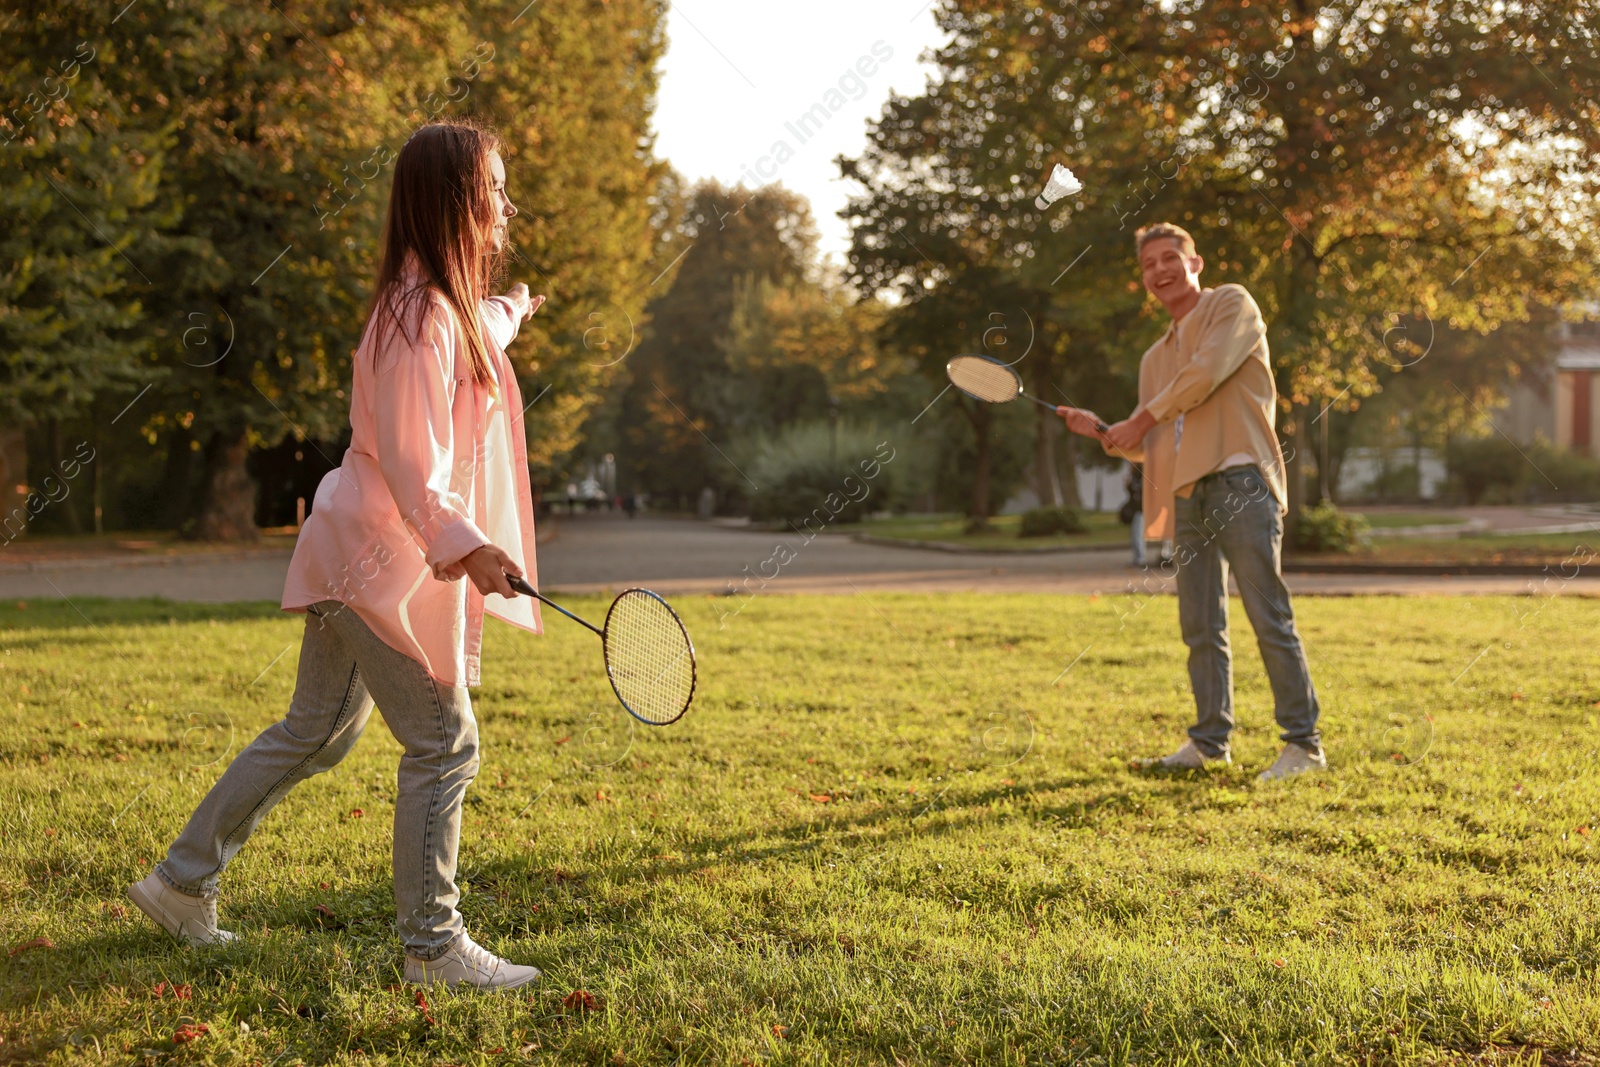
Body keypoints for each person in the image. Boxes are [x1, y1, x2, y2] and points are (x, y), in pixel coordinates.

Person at [127, 121, 549, 988]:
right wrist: (468, 548)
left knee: (313, 732)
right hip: (370, 560)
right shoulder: (417, 318)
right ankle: (432, 946)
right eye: (495, 187)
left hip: (349, 552)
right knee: (445, 744)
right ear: (456, 200)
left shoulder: (436, 308)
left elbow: (477, 341)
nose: (508, 203)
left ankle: (179, 881)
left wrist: (512, 308)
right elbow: (409, 459)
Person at [1056, 222, 1325, 782]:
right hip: (1188, 495)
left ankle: (1304, 747)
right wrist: (1105, 432)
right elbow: (1153, 444)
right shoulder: (1154, 358)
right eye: (1150, 264)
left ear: (1194, 262)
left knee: (1267, 616)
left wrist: (1140, 419)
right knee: (1200, 626)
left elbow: (1204, 375)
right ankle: (1209, 743)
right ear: (1145, 281)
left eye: (1170, 257)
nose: (1160, 269)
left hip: (1241, 483)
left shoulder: (1232, 305)